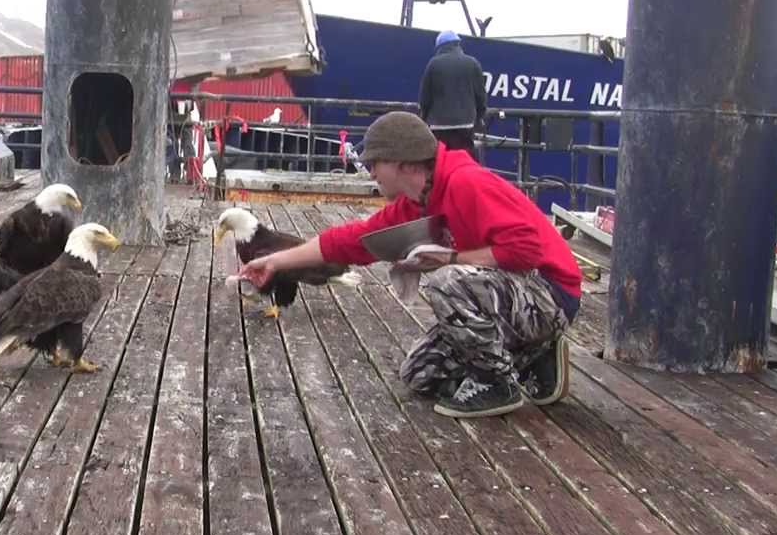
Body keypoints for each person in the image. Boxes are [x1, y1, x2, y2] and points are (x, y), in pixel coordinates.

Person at [237, 112, 582, 418]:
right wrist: (274, 262)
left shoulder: (466, 183)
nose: (370, 172)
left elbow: (525, 250)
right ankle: (534, 354)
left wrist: (452, 259)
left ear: (405, 163)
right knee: (419, 374)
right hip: (513, 298)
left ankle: (497, 384)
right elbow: (349, 240)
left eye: (375, 163)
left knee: (446, 281)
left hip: (551, 293)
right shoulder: (418, 202)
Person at [418, 30, 487, 160]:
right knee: (465, 160)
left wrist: (424, 118)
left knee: (440, 160)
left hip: (439, 125)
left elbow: (425, 97)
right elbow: (481, 96)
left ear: (439, 47)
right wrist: (478, 118)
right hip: (466, 124)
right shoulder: (472, 63)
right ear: (458, 44)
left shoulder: (434, 64)